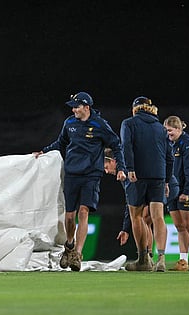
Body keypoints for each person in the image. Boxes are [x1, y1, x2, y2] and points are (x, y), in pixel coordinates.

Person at [34, 92, 126, 271]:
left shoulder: (100, 125)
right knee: (69, 216)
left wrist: (121, 168)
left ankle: (77, 253)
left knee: (83, 213)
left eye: (77, 106)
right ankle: (69, 245)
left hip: (91, 175)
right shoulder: (69, 123)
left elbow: (116, 145)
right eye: (73, 107)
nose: (74, 110)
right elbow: (61, 143)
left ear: (87, 107)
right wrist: (44, 151)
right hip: (72, 174)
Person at [120, 96, 173, 272]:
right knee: (158, 216)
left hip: (138, 175)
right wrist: (166, 180)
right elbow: (169, 156)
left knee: (137, 216)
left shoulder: (129, 123)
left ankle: (143, 259)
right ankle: (162, 259)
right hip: (158, 176)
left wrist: (130, 168)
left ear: (135, 109)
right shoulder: (160, 128)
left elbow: (126, 146)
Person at [105, 148, 179, 262]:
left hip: (165, 187)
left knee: (146, 217)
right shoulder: (123, 174)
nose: (106, 171)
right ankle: (149, 257)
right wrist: (125, 228)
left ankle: (149, 257)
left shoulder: (128, 168)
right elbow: (130, 202)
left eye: (106, 167)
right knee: (145, 217)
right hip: (156, 187)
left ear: (113, 161)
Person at [164, 115, 189, 271]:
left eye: (170, 131)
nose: (168, 134)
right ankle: (183, 261)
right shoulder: (170, 145)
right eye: (166, 131)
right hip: (173, 191)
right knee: (179, 226)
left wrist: (187, 191)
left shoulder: (188, 145)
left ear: (178, 129)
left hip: (187, 191)